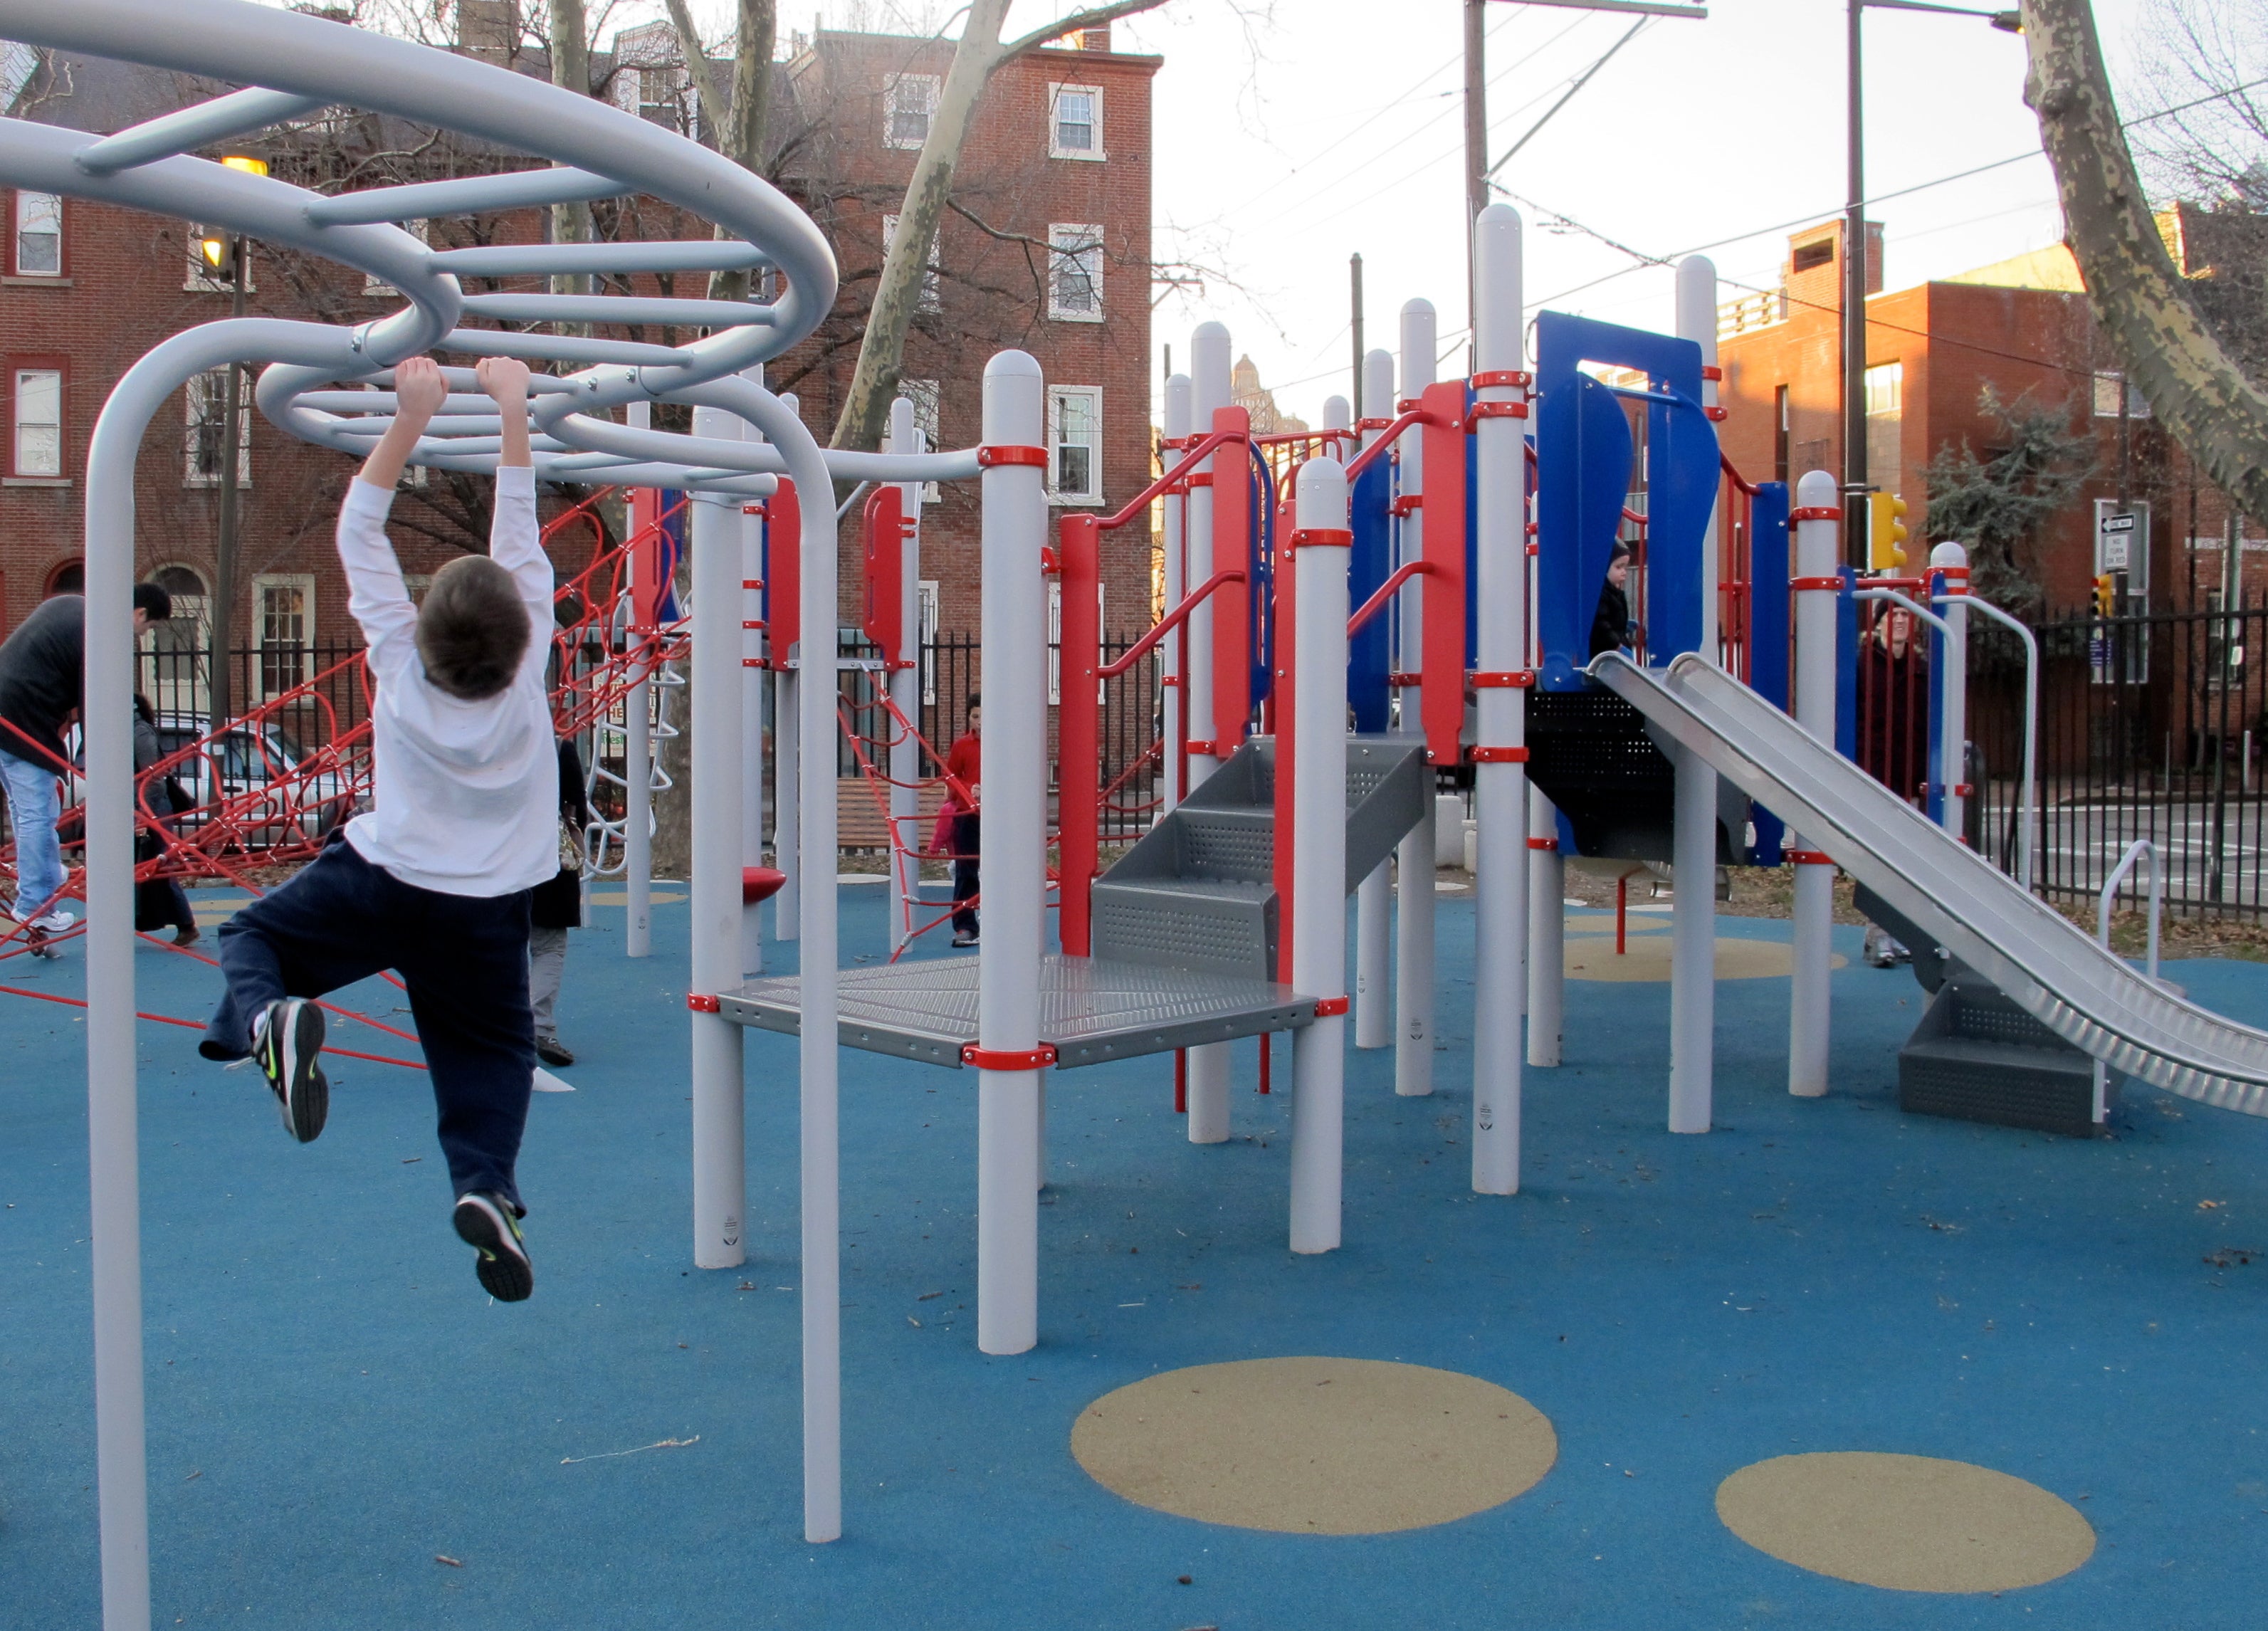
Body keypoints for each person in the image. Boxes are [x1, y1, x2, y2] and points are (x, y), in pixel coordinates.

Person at [198, 355, 554, 1302]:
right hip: (487, 908)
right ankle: (485, 1186)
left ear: (424, 623)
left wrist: (411, 416)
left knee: (251, 934)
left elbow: (362, 528)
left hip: (387, 880)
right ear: (525, 631)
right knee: (488, 1054)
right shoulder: (528, 679)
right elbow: (518, 523)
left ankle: (269, 1018)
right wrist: (516, 407)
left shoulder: (396, 662)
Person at [0, 582, 172, 940]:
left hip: (9, 707)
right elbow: (95, 705)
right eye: (149, 627)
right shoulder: (103, 632)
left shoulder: (72, 605)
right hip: (24, 716)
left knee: (24, 807)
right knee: (37, 812)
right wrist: (108, 774)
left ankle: (45, 875)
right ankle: (34, 903)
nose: (143, 635)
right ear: (140, 613)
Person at [1858, 604, 1931, 967]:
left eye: (1907, 614)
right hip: (1874, 773)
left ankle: (1898, 930)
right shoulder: (1865, 663)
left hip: (1911, 775)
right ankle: (1878, 933)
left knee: (1908, 860)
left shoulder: (1920, 669)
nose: (1901, 620)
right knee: (1881, 855)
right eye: (1893, 614)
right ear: (1879, 624)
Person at [527, 735, 589, 1066]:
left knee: (495, 946)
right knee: (548, 946)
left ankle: (490, 1024)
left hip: (490, 862)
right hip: (545, 861)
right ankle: (539, 1026)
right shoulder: (555, 748)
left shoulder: (480, 744)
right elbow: (577, 804)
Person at [131, 692, 199, 945]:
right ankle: (129, 920)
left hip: (152, 807)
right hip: (137, 806)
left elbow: (153, 776)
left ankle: (186, 924)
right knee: (138, 867)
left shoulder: (139, 732)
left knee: (158, 865)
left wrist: (144, 812)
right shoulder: (124, 730)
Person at [943, 697, 981, 947]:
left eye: (985, 716)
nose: (981, 722)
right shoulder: (962, 746)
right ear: (969, 719)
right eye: (976, 716)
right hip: (969, 816)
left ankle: (1007, 923)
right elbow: (950, 780)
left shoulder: (1007, 742)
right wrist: (971, 789)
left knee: (1006, 871)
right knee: (966, 872)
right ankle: (966, 926)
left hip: (1002, 817)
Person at [1589, 541, 1634, 660]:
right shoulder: (1601, 594)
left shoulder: (1613, 592)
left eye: (1626, 567)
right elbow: (1600, 626)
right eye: (1618, 567)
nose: (1624, 572)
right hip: (1604, 655)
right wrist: (1617, 646)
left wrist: (1622, 623)